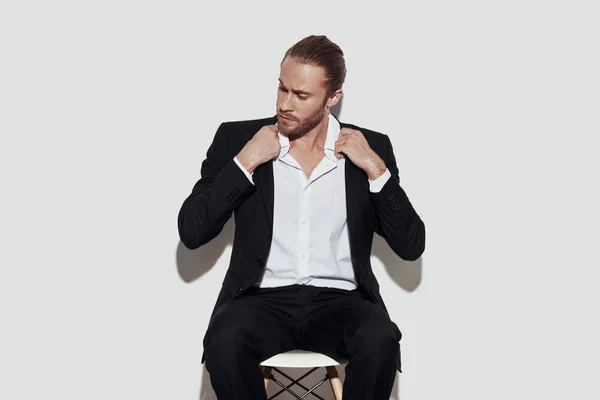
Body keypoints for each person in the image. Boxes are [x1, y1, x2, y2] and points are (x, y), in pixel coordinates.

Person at [178, 35, 425, 400]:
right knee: (224, 338)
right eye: (282, 88)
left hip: (342, 301)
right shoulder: (238, 139)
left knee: (380, 338)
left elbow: (410, 245)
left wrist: (376, 168)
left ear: (333, 98)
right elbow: (192, 230)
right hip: (260, 300)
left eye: (301, 95)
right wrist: (244, 162)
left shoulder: (371, 147)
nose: (284, 104)